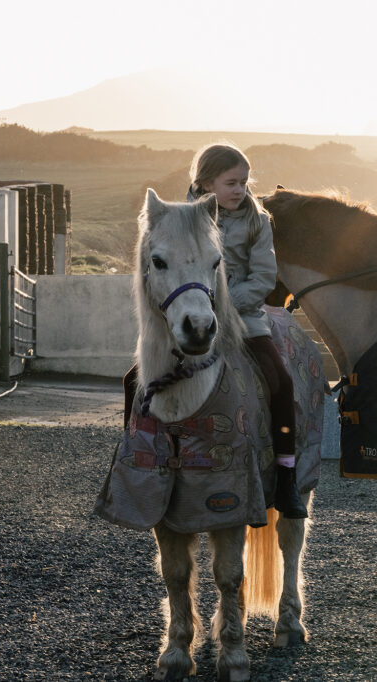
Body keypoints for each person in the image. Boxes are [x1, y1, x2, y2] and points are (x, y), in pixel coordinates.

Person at [123, 143, 307, 519]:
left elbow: (263, 278)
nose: (240, 190)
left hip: (244, 317)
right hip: (192, 314)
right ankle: (135, 462)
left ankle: (286, 476)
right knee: (134, 381)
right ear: (206, 183)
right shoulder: (180, 218)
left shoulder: (257, 221)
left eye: (243, 182)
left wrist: (222, 305)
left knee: (280, 382)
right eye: (230, 183)